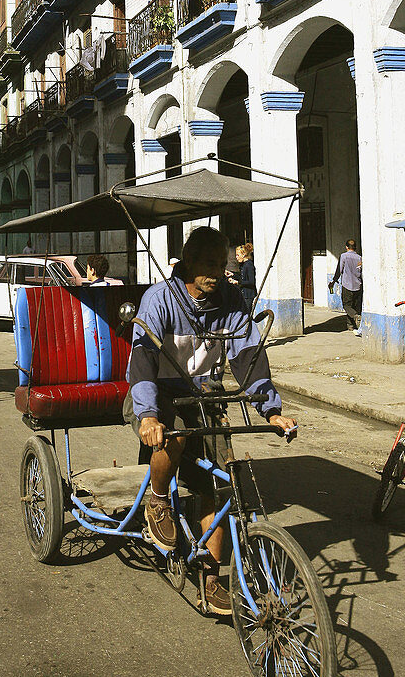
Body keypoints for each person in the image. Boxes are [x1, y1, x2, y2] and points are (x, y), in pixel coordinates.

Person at [125, 226, 296, 615]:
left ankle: (212, 578)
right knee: (178, 430)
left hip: (205, 395)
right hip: (157, 392)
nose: (216, 273)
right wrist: (148, 414)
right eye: (208, 264)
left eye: (221, 264)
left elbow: (248, 356)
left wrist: (271, 409)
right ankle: (156, 502)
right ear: (187, 263)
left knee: (220, 484)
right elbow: (142, 362)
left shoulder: (232, 300)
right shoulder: (160, 299)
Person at [329, 239, 363, 334]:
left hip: (347, 285)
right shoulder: (359, 258)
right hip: (358, 285)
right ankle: (350, 325)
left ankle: (355, 316)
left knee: (347, 305)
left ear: (346, 247)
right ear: (355, 247)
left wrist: (334, 281)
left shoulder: (344, 256)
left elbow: (339, 270)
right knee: (355, 306)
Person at [235, 243, 256, 312]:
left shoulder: (249, 265)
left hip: (248, 295)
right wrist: (232, 274)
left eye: (238, 255)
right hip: (244, 294)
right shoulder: (243, 265)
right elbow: (242, 277)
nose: (236, 257)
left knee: (246, 314)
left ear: (243, 255)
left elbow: (251, 282)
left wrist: (238, 282)